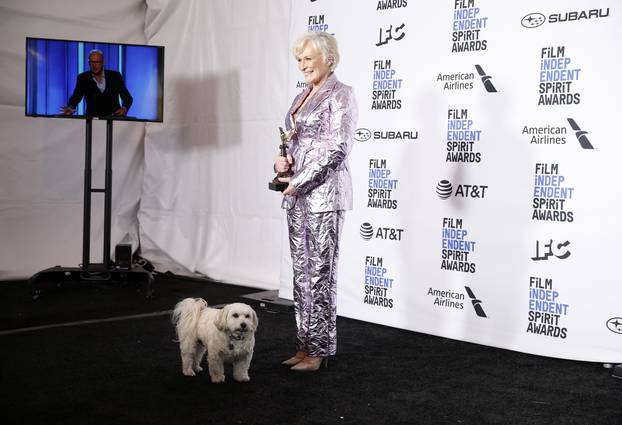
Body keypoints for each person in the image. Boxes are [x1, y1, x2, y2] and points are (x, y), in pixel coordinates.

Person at [274, 31, 357, 372]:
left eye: (309, 58)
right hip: (296, 195)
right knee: (301, 275)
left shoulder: (342, 95)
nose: (303, 65)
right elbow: (293, 144)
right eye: (299, 59)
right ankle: (303, 345)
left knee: (320, 275)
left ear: (329, 59)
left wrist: (300, 183)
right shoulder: (299, 97)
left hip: (324, 196)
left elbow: (338, 149)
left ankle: (319, 351)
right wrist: (281, 164)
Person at [62, 49, 132, 117]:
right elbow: (75, 97)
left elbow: (127, 98)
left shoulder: (115, 76)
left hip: (114, 119)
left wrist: (124, 108)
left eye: (97, 62)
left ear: (103, 62)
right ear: (89, 63)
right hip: (92, 120)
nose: (94, 65)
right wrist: (70, 107)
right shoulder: (83, 78)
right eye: (92, 62)